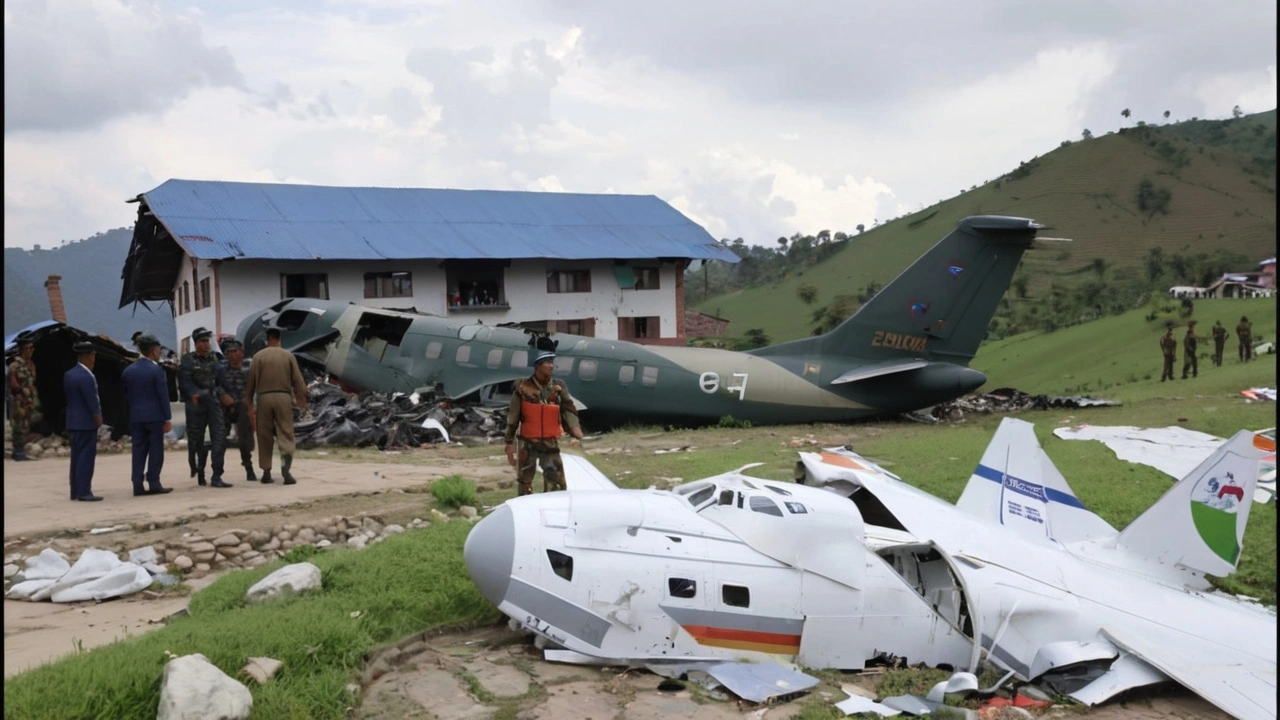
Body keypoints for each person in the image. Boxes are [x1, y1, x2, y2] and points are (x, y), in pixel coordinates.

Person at [503, 348, 585, 495]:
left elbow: (568, 408)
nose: (551, 366)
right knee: (525, 481)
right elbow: (514, 416)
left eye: (552, 363)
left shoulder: (558, 386)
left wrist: (574, 427)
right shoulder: (522, 387)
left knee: (557, 481)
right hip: (527, 442)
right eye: (547, 362)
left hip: (549, 442)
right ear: (538, 365)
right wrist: (509, 441)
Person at [245, 326, 308, 485]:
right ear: (279, 338)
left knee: (264, 434)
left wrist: (249, 403)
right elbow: (298, 380)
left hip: (264, 398)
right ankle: (285, 469)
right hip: (283, 396)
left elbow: (250, 383)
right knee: (285, 431)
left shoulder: (258, 357)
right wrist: (302, 397)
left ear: (268, 339)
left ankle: (266, 472)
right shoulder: (288, 356)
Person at [121, 334, 173, 496]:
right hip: (155, 416)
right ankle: (154, 482)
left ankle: (137, 484)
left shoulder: (128, 370)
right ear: (154, 350)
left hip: (136, 417)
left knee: (138, 450)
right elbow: (162, 396)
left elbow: (125, 396)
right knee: (156, 450)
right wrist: (167, 417)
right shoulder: (156, 370)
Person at [179, 327, 231, 488]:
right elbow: (185, 383)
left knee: (219, 438)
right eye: (202, 341)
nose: (206, 344)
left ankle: (217, 475)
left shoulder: (216, 358)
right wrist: (197, 393)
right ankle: (199, 470)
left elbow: (222, 381)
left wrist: (225, 395)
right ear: (196, 343)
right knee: (196, 441)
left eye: (207, 341)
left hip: (214, 404)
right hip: (196, 406)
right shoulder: (188, 360)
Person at [64, 341, 103, 501]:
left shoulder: (69, 374)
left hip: (73, 421)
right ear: (89, 356)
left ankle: (75, 490)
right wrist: (98, 417)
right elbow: (92, 400)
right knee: (86, 458)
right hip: (86, 422)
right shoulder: (87, 376)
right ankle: (84, 491)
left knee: (76, 457)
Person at [215, 338, 257, 482]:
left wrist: (251, 404)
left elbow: (255, 387)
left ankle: (248, 467)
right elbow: (214, 384)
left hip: (242, 407)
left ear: (242, 352)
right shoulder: (220, 369)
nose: (232, 355)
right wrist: (222, 395)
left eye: (235, 351)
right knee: (220, 439)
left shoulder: (249, 368)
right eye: (229, 352)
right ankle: (217, 473)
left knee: (244, 440)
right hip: (225, 407)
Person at [7, 337, 40, 461]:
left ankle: (21, 450)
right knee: (18, 427)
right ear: (21, 350)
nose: (31, 351)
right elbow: (13, 384)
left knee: (25, 426)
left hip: (28, 401)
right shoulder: (15, 366)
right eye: (28, 348)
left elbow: (32, 382)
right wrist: (21, 393)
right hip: (18, 401)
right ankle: (18, 452)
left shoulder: (31, 365)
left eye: (32, 348)